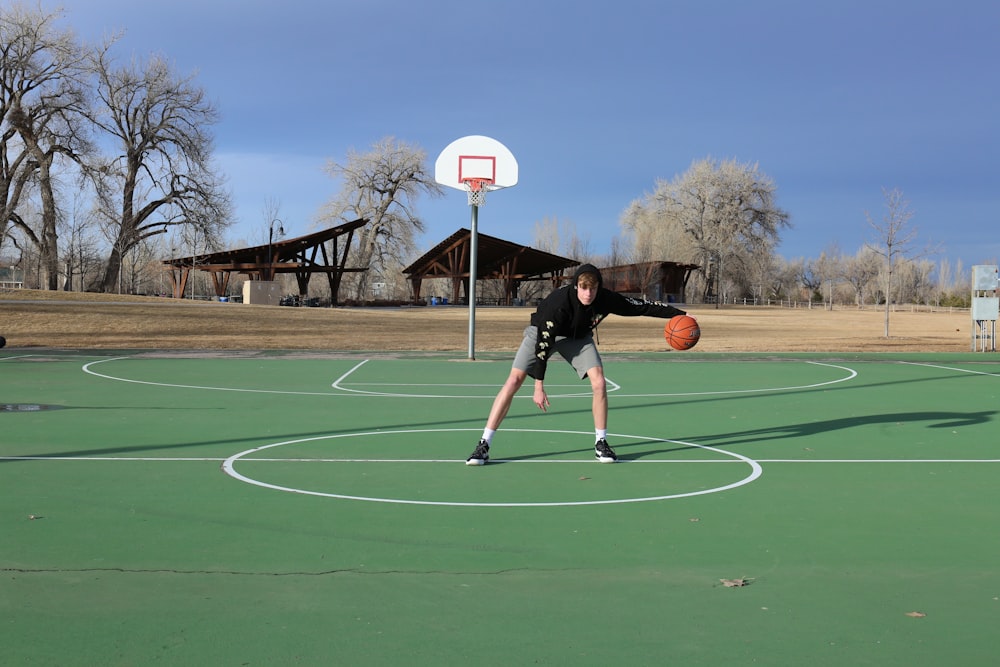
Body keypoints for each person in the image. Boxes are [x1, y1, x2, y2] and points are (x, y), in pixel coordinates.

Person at [466, 263, 688, 466]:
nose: (588, 294)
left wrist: (682, 315)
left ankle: (601, 444)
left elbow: (642, 306)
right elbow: (543, 347)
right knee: (513, 381)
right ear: (576, 287)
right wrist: (538, 386)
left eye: (592, 289)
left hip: (578, 339)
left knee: (599, 383)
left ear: (598, 287)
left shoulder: (605, 298)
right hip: (541, 334)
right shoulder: (557, 305)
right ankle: (484, 444)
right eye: (583, 288)